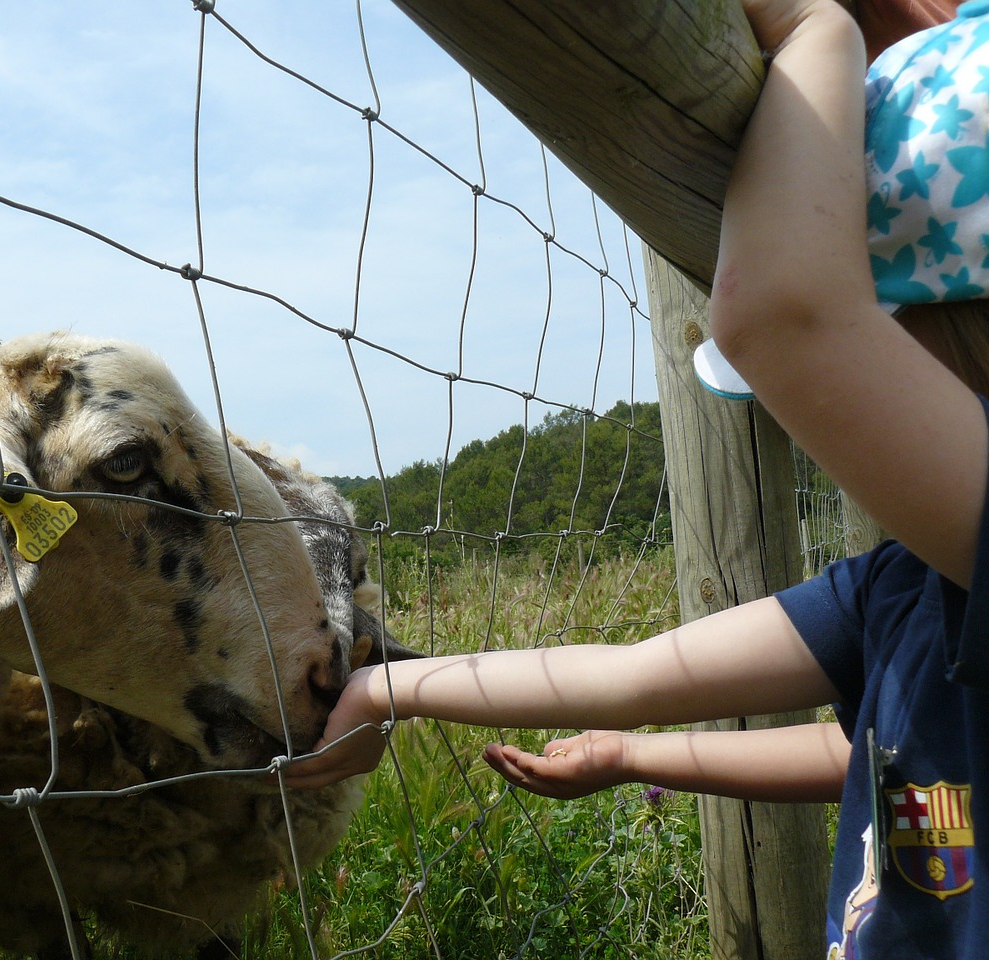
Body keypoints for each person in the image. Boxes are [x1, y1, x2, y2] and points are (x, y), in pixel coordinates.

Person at [287, 1, 989, 953]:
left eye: (890, 334)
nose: (808, 423)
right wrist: (391, 693)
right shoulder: (898, 586)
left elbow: (780, 315)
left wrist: (819, 26)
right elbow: (859, 745)